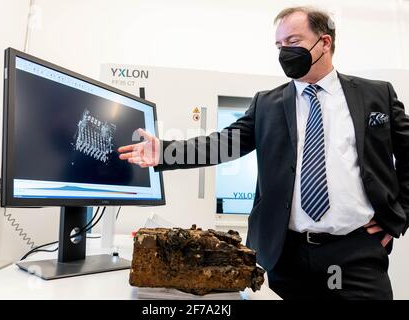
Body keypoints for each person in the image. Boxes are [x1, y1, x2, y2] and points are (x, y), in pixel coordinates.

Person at [118, 6, 409, 300]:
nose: (284, 52)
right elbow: (222, 144)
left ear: (324, 43)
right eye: (279, 46)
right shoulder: (267, 104)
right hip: (287, 254)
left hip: (355, 253)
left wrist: (399, 216)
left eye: (293, 42)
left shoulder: (376, 95)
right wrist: (165, 152)